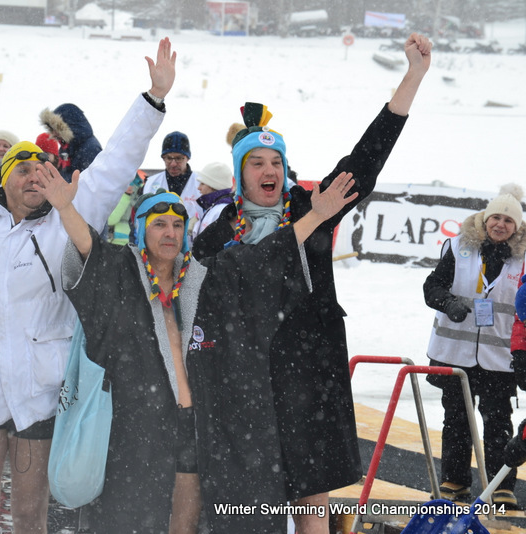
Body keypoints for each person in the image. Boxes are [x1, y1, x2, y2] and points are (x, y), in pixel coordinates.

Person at [38, 158, 360, 533]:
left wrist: (315, 217)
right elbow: (88, 248)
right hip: (137, 432)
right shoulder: (121, 273)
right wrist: (65, 208)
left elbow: (264, 257)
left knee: (184, 524)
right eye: (159, 224)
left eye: (177, 224)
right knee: (131, 521)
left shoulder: (203, 278)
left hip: (193, 428)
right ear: (140, 229)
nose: (170, 232)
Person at [192, 32, 432, 534]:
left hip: (306, 375)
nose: (270, 170)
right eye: (257, 162)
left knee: (311, 500)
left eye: (277, 162)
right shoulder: (219, 233)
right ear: (239, 173)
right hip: (246, 383)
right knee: (253, 505)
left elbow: (366, 160)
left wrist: (412, 78)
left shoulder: (310, 207)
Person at [0, 38, 176, 534]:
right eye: (23, 170)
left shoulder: (67, 218)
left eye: (43, 168)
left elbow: (115, 163)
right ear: (3, 180)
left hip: (40, 395)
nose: (35, 177)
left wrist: (153, 100)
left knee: (31, 517)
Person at [424, 184, 526, 509]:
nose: (500, 225)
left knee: (498, 423)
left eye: (508, 221)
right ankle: (454, 482)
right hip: (455, 354)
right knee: (456, 420)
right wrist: (449, 303)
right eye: (495, 217)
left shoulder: (524, 259)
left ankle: (500, 488)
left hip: (500, 358)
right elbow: (432, 287)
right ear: (485, 219)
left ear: (517, 227)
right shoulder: (459, 247)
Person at [141, 131, 203, 224]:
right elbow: (139, 219)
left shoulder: (201, 183)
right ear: (163, 158)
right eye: (169, 158)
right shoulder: (151, 183)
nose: (173, 164)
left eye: (178, 158)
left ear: (187, 158)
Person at [39, 102, 102, 182]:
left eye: (58, 128)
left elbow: (94, 182)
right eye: (52, 129)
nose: (54, 133)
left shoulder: (90, 149)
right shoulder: (66, 147)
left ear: (71, 127)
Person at [190, 161, 233, 240]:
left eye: (202, 184)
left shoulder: (221, 210)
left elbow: (218, 243)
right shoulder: (215, 207)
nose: (199, 188)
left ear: (213, 185)